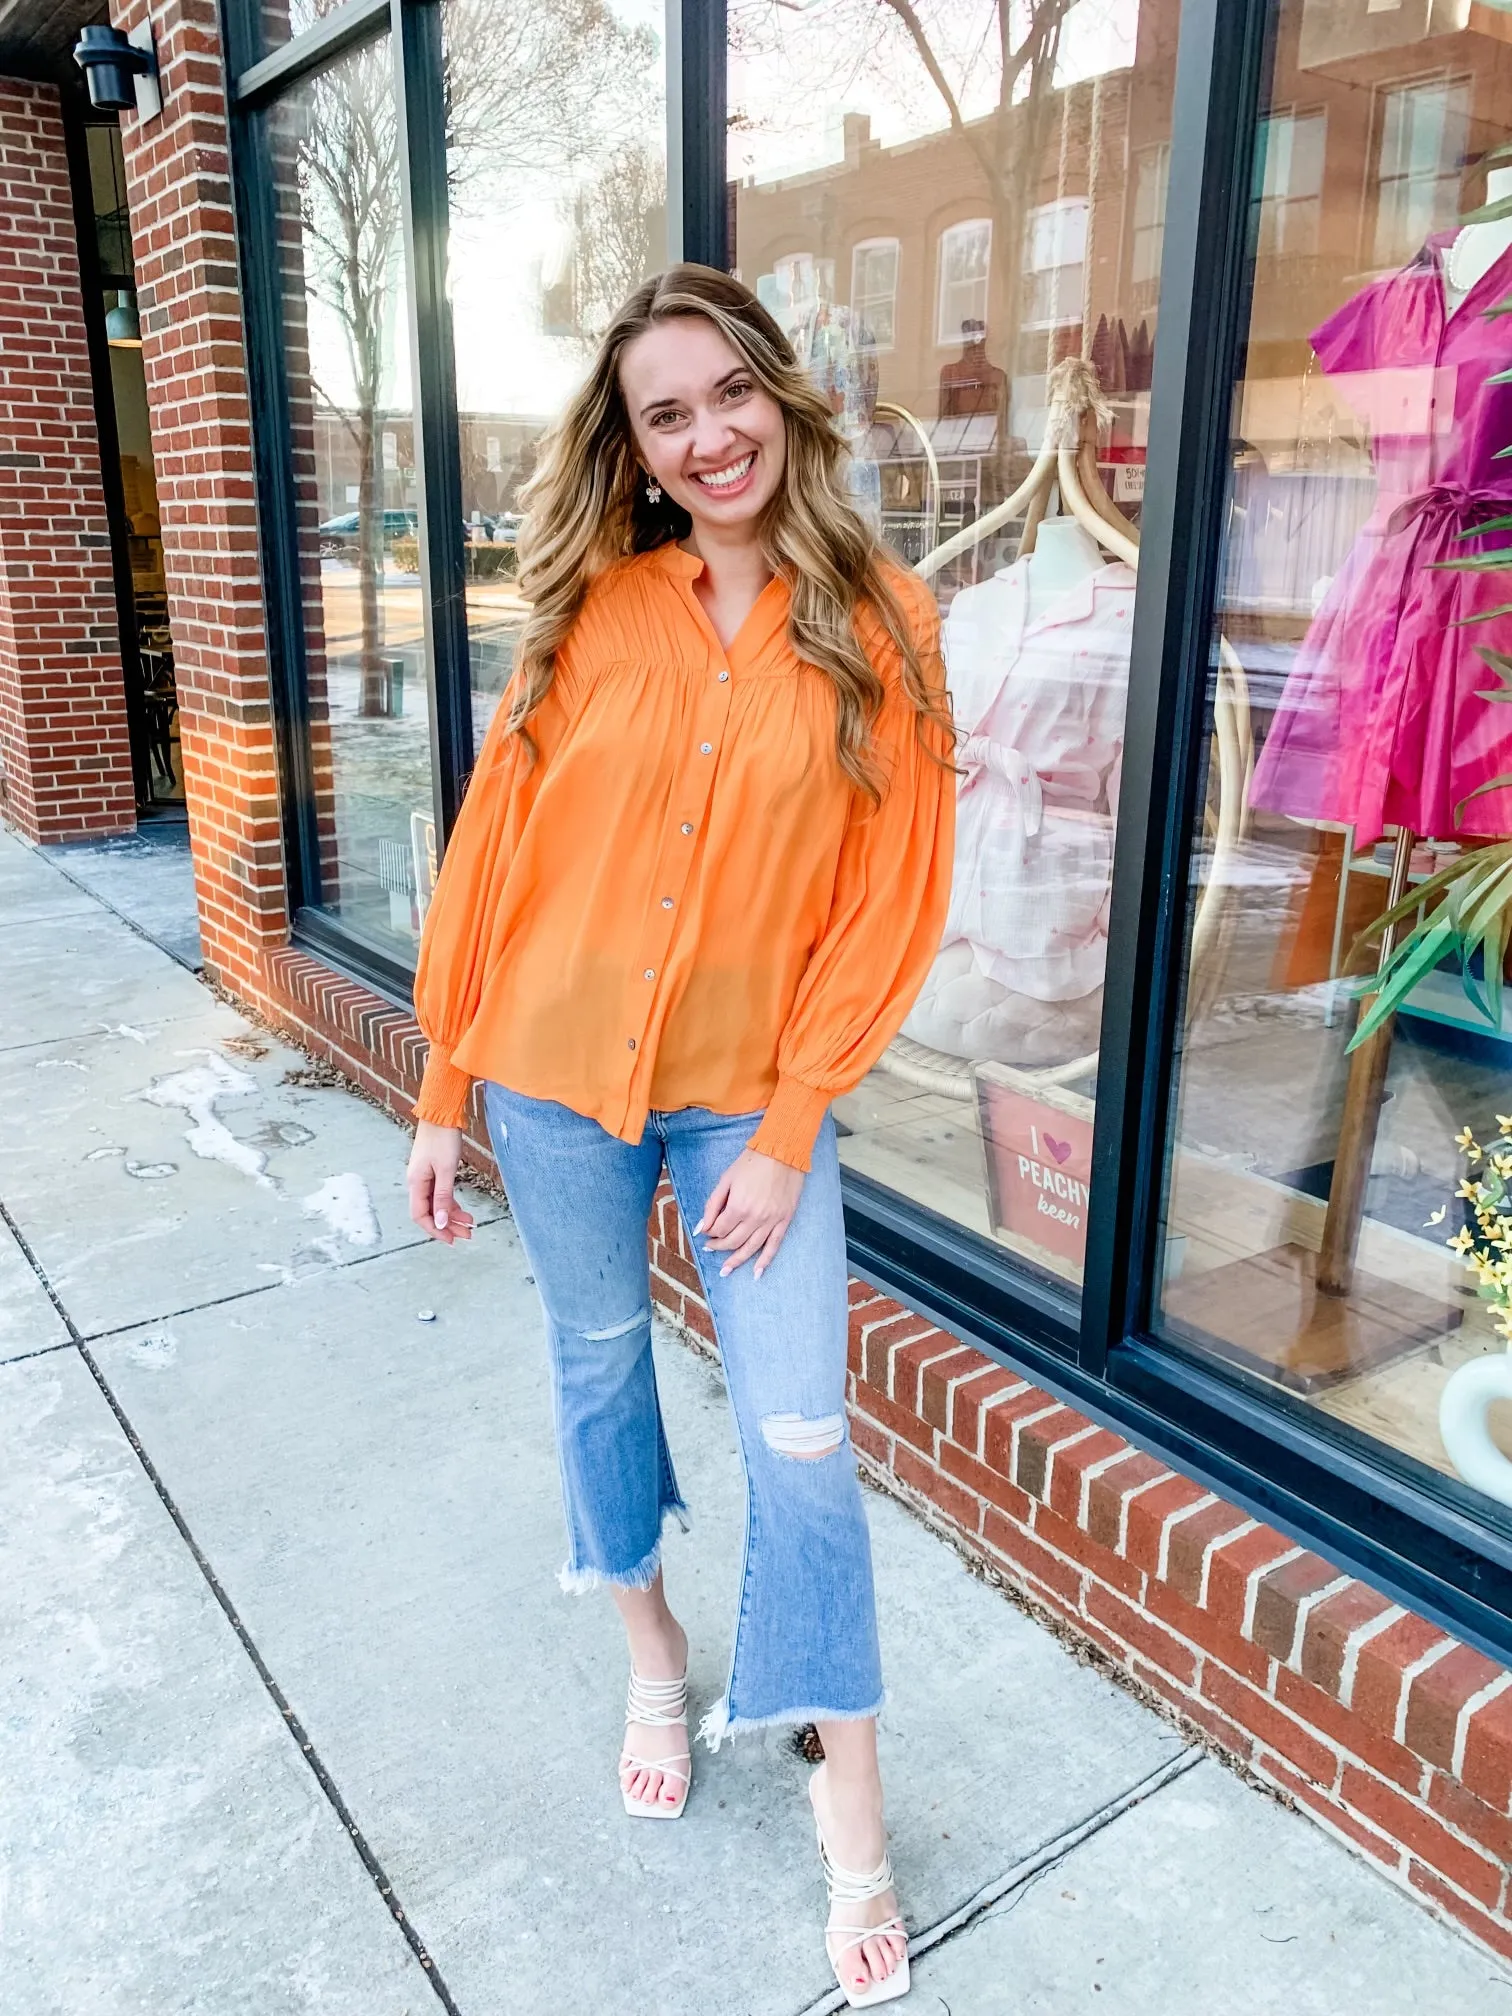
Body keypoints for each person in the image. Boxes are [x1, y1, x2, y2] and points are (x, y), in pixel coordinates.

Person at [406, 263, 954, 2008]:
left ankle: (846, 1806)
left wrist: (794, 1124)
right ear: (634, 449)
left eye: (731, 394)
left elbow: (887, 903)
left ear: (783, 398)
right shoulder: (592, 612)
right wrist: (441, 1085)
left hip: (749, 1104)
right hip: (552, 1073)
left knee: (802, 1433)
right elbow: (499, 852)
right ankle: (653, 1655)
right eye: (668, 414)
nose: (709, 435)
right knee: (594, 1363)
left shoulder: (885, 623)